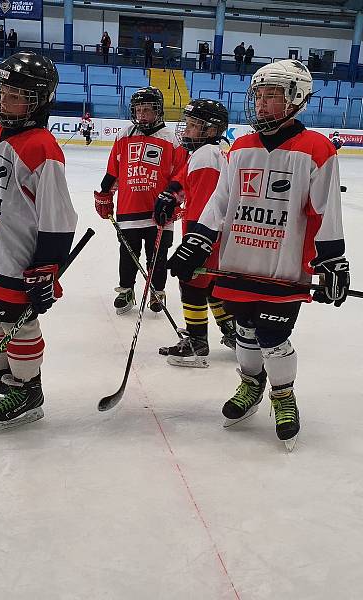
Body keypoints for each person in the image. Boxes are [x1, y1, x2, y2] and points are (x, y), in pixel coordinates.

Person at [165, 60, 348, 446]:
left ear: (296, 99)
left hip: (282, 266)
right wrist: (198, 239)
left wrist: (332, 261)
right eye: (259, 96)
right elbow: (221, 201)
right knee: (245, 331)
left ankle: (283, 396)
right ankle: (251, 384)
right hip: (239, 262)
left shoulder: (317, 149)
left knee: (273, 337)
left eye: (273, 96)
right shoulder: (242, 147)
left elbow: (326, 212)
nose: (262, 105)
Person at [0, 51, 78, 431]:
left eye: (15, 94)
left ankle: (28, 388)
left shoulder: (42, 148)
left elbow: (59, 219)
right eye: (3, 90)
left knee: (17, 324)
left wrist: (48, 269)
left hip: (18, 262)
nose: (3, 99)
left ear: (37, 101)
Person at [153, 99, 236, 367]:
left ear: (210, 130)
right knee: (211, 287)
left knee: (191, 284)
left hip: (205, 237)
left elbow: (204, 204)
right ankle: (232, 332)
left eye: (192, 126)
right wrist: (171, 196)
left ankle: (197, 342)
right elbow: (185, 182)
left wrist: (194, 243)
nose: (185, 130)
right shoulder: (210, 152)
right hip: (215, 238)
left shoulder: (205, 155)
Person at [94, 86, 187, 314]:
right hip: (129, 208)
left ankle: (157, 291)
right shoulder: (124, 135)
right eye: (138, 110)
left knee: (158, 256)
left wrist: (173, 200)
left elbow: (181, 175)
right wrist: (105, 194)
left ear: (158, 111)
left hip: (160, 211)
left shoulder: (173, 139)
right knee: (128, 254)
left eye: (147, 110)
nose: (142, 115)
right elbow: (113, 169)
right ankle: (126, 290)